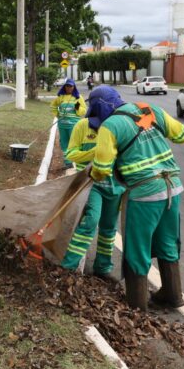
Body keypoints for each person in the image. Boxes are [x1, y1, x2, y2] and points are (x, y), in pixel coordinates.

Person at [89, 86, 184, 311]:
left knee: (137, 247)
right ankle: (173, 295)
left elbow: (102, 169)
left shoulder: (110, 126)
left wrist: (92, 172)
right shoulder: (149, 109)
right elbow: (182, 135)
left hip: (144, 193)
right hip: (173, 187)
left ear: (102, 108)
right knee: (167, 241)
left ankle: (137, 305)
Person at [60, 88, 125, 278]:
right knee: (91, 220)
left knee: (108, 228)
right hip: (91, 184)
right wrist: (99, 151)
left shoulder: (118, 126)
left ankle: (103, 268)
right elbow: (71, 154)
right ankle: (68, 266)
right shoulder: (82, 126)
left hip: (115, 186)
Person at [50, 78, 86, 169]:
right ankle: (68, 163)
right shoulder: (60, 97)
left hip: (74, 125)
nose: (69, 88)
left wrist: (76, 107)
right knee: (64, 144)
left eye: (71, 86)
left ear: (74, 87)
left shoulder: (78, 97)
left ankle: (79, 162)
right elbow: (53, 106)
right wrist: (57, 114)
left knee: (74, 144)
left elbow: (83, 111)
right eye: (67, 86)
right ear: (64, 87)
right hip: (62, 125)